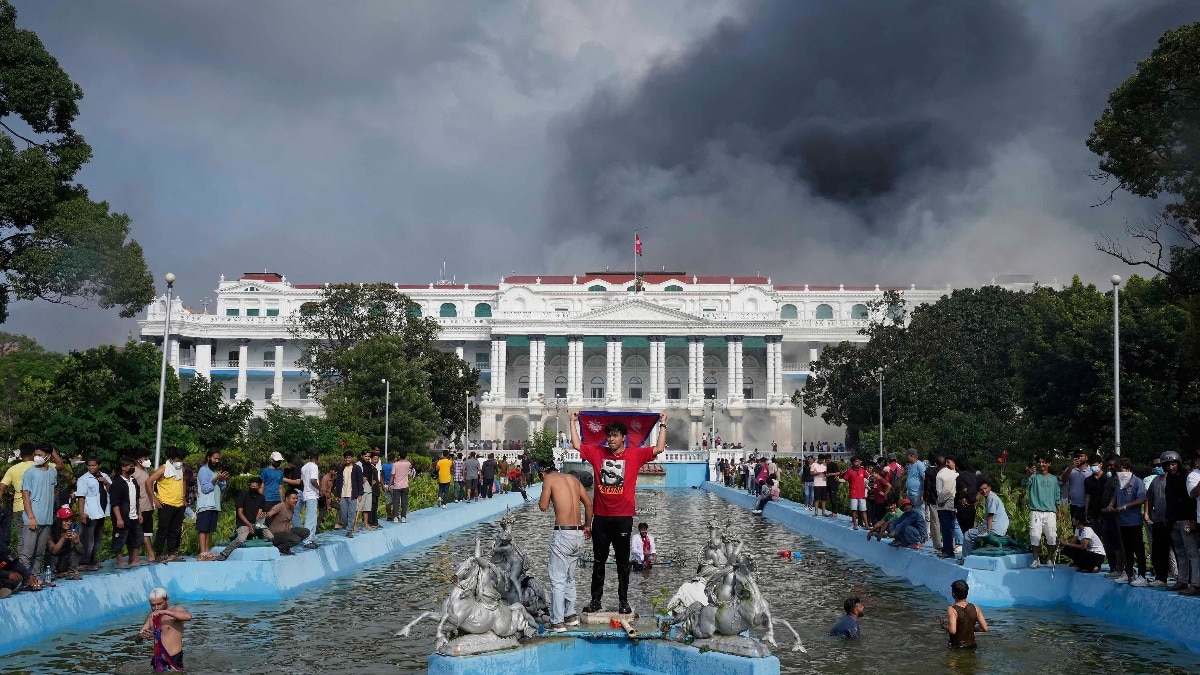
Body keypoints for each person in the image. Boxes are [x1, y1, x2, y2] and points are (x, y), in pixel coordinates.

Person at [570, 411, 668, 615]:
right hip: (601, 518)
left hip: (623, 518)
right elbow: (577, 445)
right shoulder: (598, 453)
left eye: (615, 436)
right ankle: (595, 600)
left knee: (623, 563)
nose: (611, 439)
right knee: (599, 562)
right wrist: (572, 421)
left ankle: (623, 601)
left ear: (624, 437)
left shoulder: (635, 455)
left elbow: (659, 448)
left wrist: (663, 424)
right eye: (609, 436)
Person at [538, 463, 592, 632]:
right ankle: (570, 616)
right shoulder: (573, 479)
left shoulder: (549, 478)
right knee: (569, 577)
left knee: (557, 578)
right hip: (578, 534)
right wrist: (587, 526)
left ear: (543, 472)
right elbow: (589, 504)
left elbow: (543, 506)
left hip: (563, 534)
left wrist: (545, 490)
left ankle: (557, 622)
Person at [1107, 456, 1148, 585]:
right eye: (1118, 471)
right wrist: (1111, 505)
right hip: (1122, 521)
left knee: (1138, 549)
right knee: (1127, 549)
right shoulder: (1120, 482)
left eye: (1121, 470)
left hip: (1134, 521)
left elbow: (1142, 499)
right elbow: (1116, 495)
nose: (1119, 473)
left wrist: (1126, 506)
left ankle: (1142, 575)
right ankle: (1129, 573)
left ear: (1128, 469)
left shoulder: (1137, 482)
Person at [19, 445, 58, 577]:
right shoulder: (30, 472)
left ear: (48, 456)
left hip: (47, 520)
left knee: (38, 553)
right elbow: (25, 496)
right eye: (35, 454)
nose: (36, 457)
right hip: (32, 519)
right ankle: (24, 580)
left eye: (40, 455)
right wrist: (31, 517)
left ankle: (34, 578)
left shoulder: (53, 471)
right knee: (27, 553)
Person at [1022, 454, 1061, 569]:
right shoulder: (1033, 477)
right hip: (1036, 512)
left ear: (1049, 464)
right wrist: (1028, 474)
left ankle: (1049, 559)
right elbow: (1024, 485)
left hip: (1050, 512)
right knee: (1034, 536)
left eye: (1044, 462)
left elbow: (1057, 496)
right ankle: (1036, 560)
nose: (1041, 464)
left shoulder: (1053, 479)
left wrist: (1059, 511)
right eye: (1039, 462)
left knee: (1052, 536)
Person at [148, 448, 187, 562]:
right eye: (177, 460)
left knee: (175, 531)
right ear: (172, 458)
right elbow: (149, 481)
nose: (179, 462)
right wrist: (154, 498)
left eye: (180, 460)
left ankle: (172, 553)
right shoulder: (163, 468)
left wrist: (184, 497)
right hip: (165, 503)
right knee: (163, 529)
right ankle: (158, 554)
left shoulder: (181, 469)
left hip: (179, 504)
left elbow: (183, 481)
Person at [139, 587, 191, 672]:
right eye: (153, 605)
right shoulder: (151, 617)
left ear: (167, 600)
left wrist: (165, 612)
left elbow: (188, 616)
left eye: (159, 604)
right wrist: (141, 635)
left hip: (174, 658)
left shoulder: (175, 610)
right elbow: (137, 639)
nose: (156, 608)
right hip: (157, 659)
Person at [218, 477, 267, 561]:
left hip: (255, 524)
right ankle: (224, 553)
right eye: (251, 486)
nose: (253, 488)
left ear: (259, 487)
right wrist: (248, 524)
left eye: (255, 487)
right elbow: (240, 513)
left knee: (270, 536)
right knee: (241, 539)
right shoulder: (243, 495)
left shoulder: (261, 498)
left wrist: (258, 523)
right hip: (243, 524)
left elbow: (259, 512)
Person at [75, 457, 111, 571]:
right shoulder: (84, 479)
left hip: (101, 512)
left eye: (93, 465)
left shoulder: (104, 476)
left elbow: (111, 489)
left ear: (99, 465)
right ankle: (84, 561)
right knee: (87, 538)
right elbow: (81, 497)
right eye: (89, 466)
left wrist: (106, 482)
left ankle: (92, 560)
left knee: (97, 538)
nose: (91, 467)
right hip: (90, 512)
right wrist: (81, 513)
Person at [108, 457, 143, 569]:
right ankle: (120, 561)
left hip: (134, 515)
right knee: (120, 538)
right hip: (122, 516)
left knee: (136, 538)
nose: (132, 468)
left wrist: (139, 513)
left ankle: (135, 559)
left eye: (133, 466)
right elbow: (115, 503)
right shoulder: (117, 483)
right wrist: (119, 518)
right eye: (129, 466)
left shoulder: (134, 481)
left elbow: (137, 499)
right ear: (123, 468)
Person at [961, 479, 1008, 559]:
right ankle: (974, 556)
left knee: (968, 534)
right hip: (998, 528)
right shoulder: (991, 496)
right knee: (975, 532)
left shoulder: (991, 498)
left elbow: (990, 517)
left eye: (985, 488)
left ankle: (965, 558)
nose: (984, 491)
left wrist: (988, 534)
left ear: (989, 487)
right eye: (981, 490)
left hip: (994, 529)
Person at [1144, 456, 1173, 587]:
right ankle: (1161, 578)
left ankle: (1183, 579)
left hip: (1172, 520)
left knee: (1176, 551)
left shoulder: (1173, 479)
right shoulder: (1155, 480)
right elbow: (1149, 498)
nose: (1158, 467)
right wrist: (1148, 513)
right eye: (1155, 465)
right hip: (1158, 520)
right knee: (1158, 550)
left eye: (1160, 464)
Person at [195, 450, 228, 561]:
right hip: (205, 504)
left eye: (218, 459)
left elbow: (222, 488)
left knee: (209, 529)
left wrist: (222, 480)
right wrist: (216, 478)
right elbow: (205, 489)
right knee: (203, 528)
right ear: (208, 457)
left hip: (215, 504)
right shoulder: (203, 470)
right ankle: (202, 552)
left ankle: (207, 551)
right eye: (215, 458)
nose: (217, 461)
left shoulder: (215, 471)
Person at [942, 580, 988, 648]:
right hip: (972, 646)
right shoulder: (975, 607)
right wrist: (971, 628)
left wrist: (943, 626)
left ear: (953, 594)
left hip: (957, 647)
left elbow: (953, 630)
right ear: (967, 593)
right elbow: (985, 628)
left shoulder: (952, 609)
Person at [264, 489, 310, 555]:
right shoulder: (280, 506)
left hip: (286, 532)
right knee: (296, 539)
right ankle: (281, 548)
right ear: (287, 499)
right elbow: (269, 513)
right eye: (293, 498)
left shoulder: (292, 507)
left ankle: (286, 546)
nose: (296, 500)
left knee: (306, 532)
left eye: (296, 498)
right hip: (276, 535)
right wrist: (264, 515)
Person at [45, 506, 83, 580]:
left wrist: (77, 542)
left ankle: (72, 572)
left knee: (76, 550)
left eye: (70, 521)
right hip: (54, 562)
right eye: (66, 521)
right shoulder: (50, 531)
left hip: (65, 560)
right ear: (59, 521)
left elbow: (81, 551)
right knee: (51, 554)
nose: (69, 523)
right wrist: (63, 538)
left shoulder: (73, 529)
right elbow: (53, 551)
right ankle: (52, 573)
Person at [133, 452, 157, 563]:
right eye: (145, 458)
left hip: (148, 507)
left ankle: (151, 556)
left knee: (147, 534)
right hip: (140, 508)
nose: (148, 460)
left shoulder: (145, 471)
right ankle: (136, 557)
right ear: (138, 460)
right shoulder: (134, 472)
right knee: (138, 534)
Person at [334, 451, 365, 537]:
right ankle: (347, 526)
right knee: (344, 513)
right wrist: (337, 495)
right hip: (343, 494)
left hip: (353, 494)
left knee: (352, 513)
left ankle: (349, 530)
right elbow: (338, 482)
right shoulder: (341, 468)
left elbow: (360, 481)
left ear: (352, 458)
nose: (347, 459)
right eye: (346, 457)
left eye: (349, 457)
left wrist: (360, 494)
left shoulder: (357, 468)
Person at [936, 457, 959, 558]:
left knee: (945, 529)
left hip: (943, 506)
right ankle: (950, 549)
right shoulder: (954, 473)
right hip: (953, 504)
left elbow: (939, 492)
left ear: (936, 465)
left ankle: (947, 551)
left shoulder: (939, 475)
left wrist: (939, 502)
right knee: (951, 528)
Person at [1061, 449, 1091, 524]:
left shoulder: (1091, 471)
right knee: (1075, 527)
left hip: (1087, 505)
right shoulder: (1071, 469)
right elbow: (1063, 480)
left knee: (1087, 528)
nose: (1079, 458)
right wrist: (1071, 467)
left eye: (1081, 456)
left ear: (1086, 457)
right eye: (1077, 456)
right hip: (1074, 505)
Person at [299, 450, 321, 546]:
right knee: (310, 519)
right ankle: (307, 540)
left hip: (306, 494)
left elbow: (302, 481)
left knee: (312, 518)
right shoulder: (314, 466)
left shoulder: (304, 467)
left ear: (309, 456)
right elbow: (313, 480)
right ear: (318, 457)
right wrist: (320, 489)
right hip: (311, 495)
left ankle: (310, 538)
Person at [841, 458, 870, 530]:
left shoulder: (862, 470)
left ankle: (866, 525)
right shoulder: (849, 471)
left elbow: (868, 477)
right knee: (854, 510)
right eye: (856, 461)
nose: (858, 463)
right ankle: (855, 525)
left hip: (862, 494)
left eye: (859, 461)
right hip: (853, 494)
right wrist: (838, 479)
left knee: (863, 510)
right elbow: (844, 479)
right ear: (852, 463)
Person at [389, 450, 414, 523]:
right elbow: (410, 467)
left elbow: (392, 475)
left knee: (396, 502)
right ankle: (403, 517)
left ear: (399, 456)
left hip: (397, 486)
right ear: (406, 456)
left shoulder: (395, 464)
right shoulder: (408, 463)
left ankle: (395, 517)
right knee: (404, 502)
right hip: (405, 485)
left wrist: (390, 484)